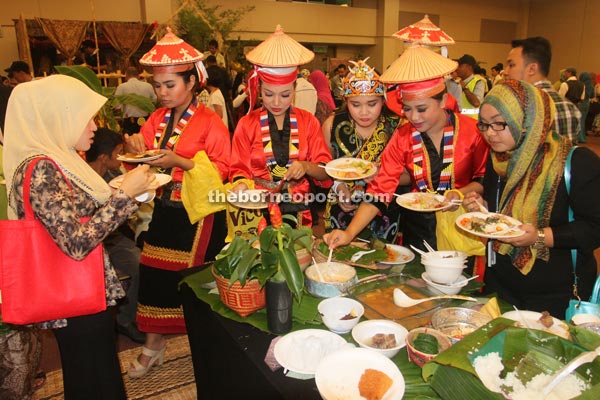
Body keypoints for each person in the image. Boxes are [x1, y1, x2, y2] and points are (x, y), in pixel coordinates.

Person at [3, 74, 155, 399]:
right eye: (86, 117)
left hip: (81, 292)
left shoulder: (59, 160)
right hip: (73, 296)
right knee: (94, 379)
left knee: (94, 374)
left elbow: (82, 210)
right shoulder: (43, 167)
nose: (94, 127)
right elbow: (76, 242)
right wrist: (125, 196)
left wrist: (128, 190)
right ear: (59, 118)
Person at [124, 28, 230, 378]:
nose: (162, 92)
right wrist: (138, 150)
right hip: (166, 210)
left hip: (200, 215)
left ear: (192, 82)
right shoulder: (155, 119)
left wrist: (181, 162)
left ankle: (208, 348)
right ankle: (153, 347)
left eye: (170, 85)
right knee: (153, 275)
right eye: (158, 86)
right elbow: (148, 162)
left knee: (195, 284)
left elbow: (224, 170)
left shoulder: (210, 121)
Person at [325, 44, 489, 252]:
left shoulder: (472, 131)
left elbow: (483, 180)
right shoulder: (403, 136)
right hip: (419, 230)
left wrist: (460, 193)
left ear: (443, 101)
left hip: (463, 227)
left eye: (422, 109)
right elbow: (379, 190)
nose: (414, 117)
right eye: (407, 109)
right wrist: (349, 233)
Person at [463, 79, 600, 319]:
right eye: (483, 125)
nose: (489, 134)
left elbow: (594, 228)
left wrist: (537, 237)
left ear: (527, 120)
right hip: (502, 284)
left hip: (554, 295)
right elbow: (502, 211)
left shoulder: (576, 162)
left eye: (499, 124)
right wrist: (483, 209)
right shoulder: (500, 159)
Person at [229, 25, 331, 227]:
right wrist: (240, 184)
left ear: (295, 89)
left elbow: (325, 170)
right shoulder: (246, 123)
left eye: (285, 95)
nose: (276, 102)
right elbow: (238, 168)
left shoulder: (308, 121)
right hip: (257, 208)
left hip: (300, 207)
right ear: (258, 89)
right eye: (268, 94)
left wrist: (305, 166)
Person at [321, 59, 402, 242]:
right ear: (346, 100)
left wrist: (383, 174)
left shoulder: (397, 126)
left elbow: (410, 173)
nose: (364, 112)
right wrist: (338, 186)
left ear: (383, 99)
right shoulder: (332, 125)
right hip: (341, 206)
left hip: (384, 211)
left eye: (372, 104)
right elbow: (326, 166)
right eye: (355, 105)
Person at [86, 128, 146, 344]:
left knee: (139, 261)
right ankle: (120, 319)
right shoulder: (85, 178)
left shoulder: (114, 174)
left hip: (113, 237)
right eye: (118, 153)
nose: (120, 157)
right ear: (104, 157)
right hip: (91, 241)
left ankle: (126, 317)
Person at [504, 37, 582, 145]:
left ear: (532, 69)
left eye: (511, 65)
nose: (505, 71)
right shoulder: (571, 108)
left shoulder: (520, 107)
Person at [114, 67, 157, 135]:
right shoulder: (148, 86)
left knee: (130, 142)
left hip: (129, 121)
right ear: (138, 76)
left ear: (126, 76)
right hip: (144, 119)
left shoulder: (122, 87)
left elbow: (116, 105)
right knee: (144, 140)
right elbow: (154, 101)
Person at [455, 54, 485, 118]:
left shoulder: (478, 82)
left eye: (460, 66)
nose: (457, 69)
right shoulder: (457, 82)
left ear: (469, 67)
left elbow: (476, 103)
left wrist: (465, 89)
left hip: (472, 121)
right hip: (459, 120)